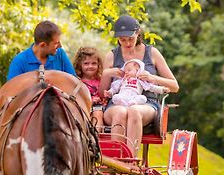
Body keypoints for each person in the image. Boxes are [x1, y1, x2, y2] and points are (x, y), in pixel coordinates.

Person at [99, 15, 179, 156]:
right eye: (122, 40)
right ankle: (115, 160)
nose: (127, 43)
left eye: (130, 38)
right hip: (118, 102)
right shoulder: (111, 56)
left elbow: (174, 86)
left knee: (134, 110)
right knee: (120, 112)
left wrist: (152, 77)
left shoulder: (152, 53)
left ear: (138, 33)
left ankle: (130, 160)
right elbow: (102, 94)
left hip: (146, 104)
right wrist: (107, 73)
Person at [7, 20, 76, 81]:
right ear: (43, 45)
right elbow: (12, 92)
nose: (60, 46)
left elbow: (73, 83)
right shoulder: (20, 62)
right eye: (56, 43)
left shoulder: (60, 54)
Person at [104, 59, 170, 107]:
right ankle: (123, 103)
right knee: (115, 97)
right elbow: (115, 88)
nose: (126, 72)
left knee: (143, 98)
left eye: (129, 70)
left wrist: (162, 89)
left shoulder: (141, 81)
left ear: (138, 70)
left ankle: (133, 103)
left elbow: (151, 87)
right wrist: (110, 92)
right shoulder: (123, 80)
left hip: (134, 97)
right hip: (123, 96)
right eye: (125, 71)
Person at [73, 46, 105, 132]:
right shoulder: (77, 81)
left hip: (99, 107)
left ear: (98, 65)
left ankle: (96, 138)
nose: (90, 66)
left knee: (97, 114)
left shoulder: (101, 80)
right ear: (80, 65)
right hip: (83, 106)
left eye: (94, 63)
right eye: (86, 63)